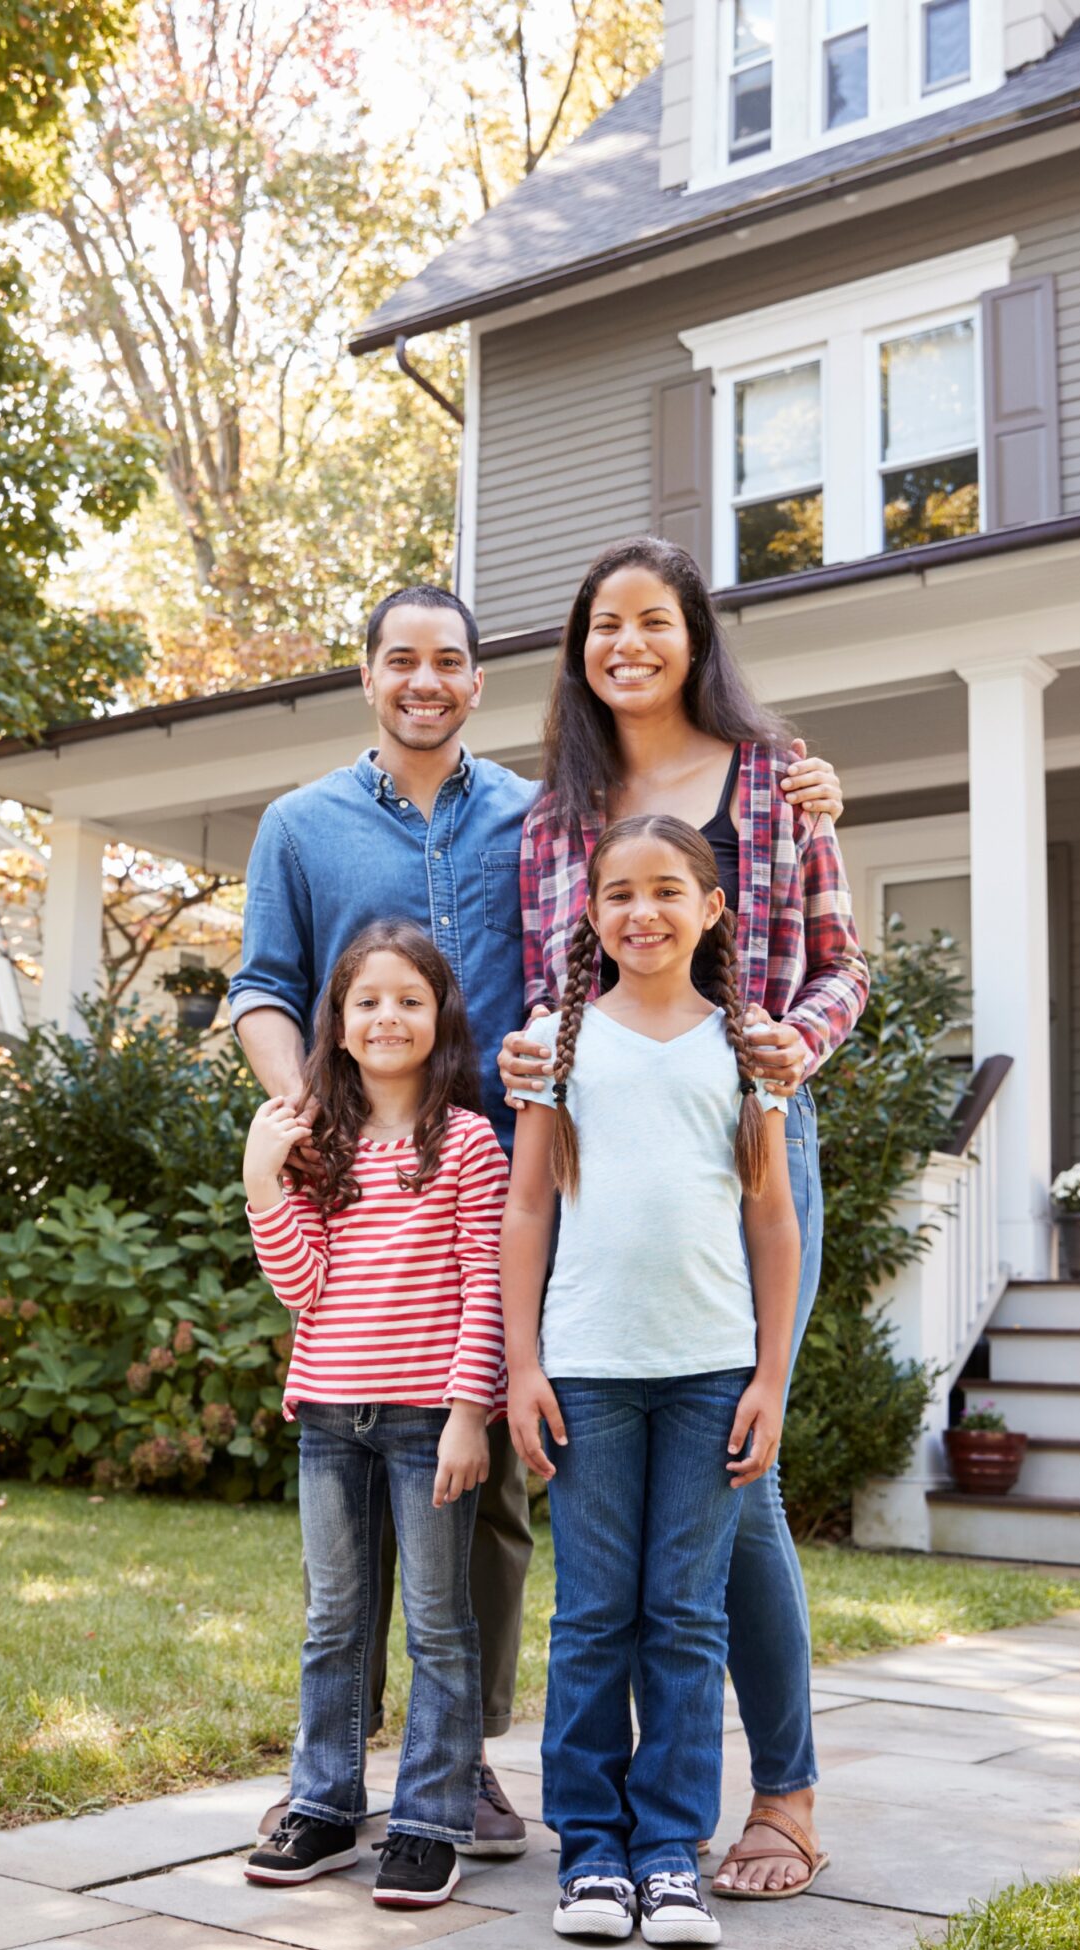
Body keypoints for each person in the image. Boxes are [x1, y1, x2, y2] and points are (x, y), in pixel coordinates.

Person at [227, 582, 843, 1855]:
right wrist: (319, 1125)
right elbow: (287, 988)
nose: (424, 680)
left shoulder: (693, 790)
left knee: (696, 1470)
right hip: (479, 1177)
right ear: (364, 673)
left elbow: (820, 953)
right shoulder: (462, 815)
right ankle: (404, 1774)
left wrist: (788, 1041)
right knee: (471, 1466)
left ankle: (748, 1791)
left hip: (666, 1145)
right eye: (399, 658)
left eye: (449, 659)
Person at [502, 537, 866, 1903]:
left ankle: (784, 1793)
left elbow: (841, 966)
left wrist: (789, 1048)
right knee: (619, 1563)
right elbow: (547, 999)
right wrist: (528, 1065)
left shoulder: (777, 777)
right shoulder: (554, 815)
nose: (628, 644)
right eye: (605, 624)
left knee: (741, 1467)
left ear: (693, 635)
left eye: (654, 621)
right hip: (600, 1154)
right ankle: (624, 1822)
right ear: (580, 647)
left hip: (751, 1132)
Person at [502, 815, 799, 1949]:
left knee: (682, 1616)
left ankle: (670, 1849)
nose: (643, 911)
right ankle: (590, 1847)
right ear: (591, 913)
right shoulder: (557, 1045)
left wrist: (770, 1375)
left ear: (713, 908)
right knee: (591, 1616)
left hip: (710, 1372)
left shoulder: (748, 1051)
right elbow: (527, 1209)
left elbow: (770, 1220)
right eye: (619, 892)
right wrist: (524, 1363)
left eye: (668, 890)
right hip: (588, 1371)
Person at [241, 920, 507, 1910]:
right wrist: (262, 1178)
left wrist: (467, 1412)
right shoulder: (317, 1145)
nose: (387, 1015)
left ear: (439, 1019)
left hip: (424, 1418)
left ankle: (431, 1819)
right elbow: (301, 1285)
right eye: (367, 1001)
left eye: (409, 998)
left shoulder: (469, 1142)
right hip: (327, 1417)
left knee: (437, 1623)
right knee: (332, 1621)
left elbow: (485, 1283)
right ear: (339, 1026)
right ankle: (323, 1804)